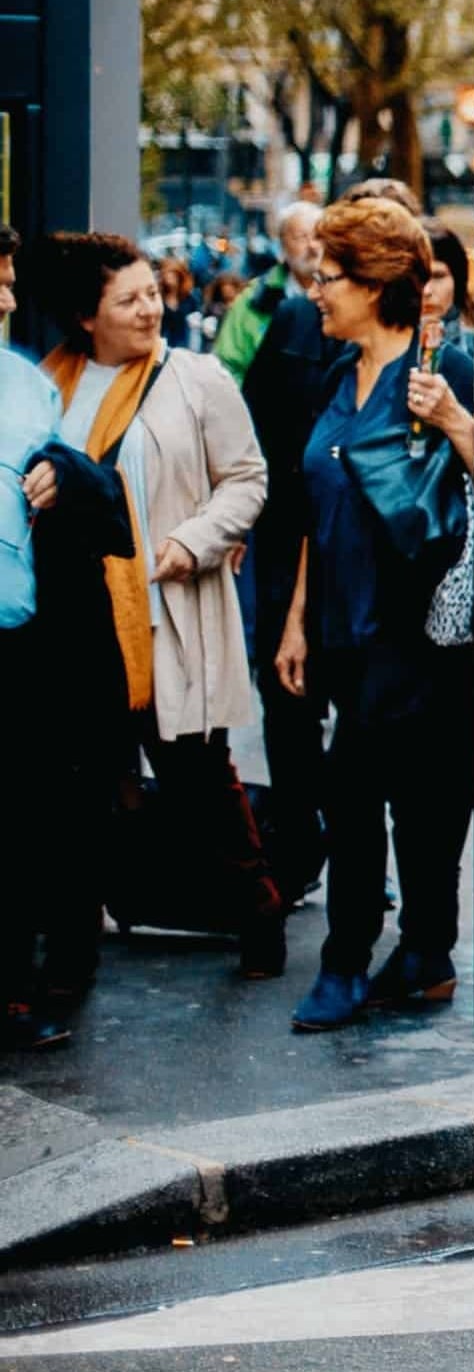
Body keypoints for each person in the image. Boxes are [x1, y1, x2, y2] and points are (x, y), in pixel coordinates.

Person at [275, 199, 474, 1032]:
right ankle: (404, 956)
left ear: (374, 284)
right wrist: (295, 619)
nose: (316, 291)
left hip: (423, 632)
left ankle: (373, 957)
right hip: (342, 629)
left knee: (409, 805)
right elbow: (322, 509)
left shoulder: (447, 371)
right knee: (362, 797)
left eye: (330, 277)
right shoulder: (332, 376)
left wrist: (457, 422)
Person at [29, 232, 285, 980]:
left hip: (164, 613)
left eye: (152, 292)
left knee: (201, 781)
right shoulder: (53, 387)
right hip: (78, 626)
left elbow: (248, 479)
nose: (152, 309)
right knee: (82, 796)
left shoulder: (195, 379)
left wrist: (193, 541)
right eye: (130, 300)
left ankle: (258, 909)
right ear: (86, 317)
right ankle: (70, 954)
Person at [0, 229, 134, 1050]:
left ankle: (20, 986)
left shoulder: (25, 388)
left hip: (22, 644)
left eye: (11, 281)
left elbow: (100, 501)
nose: (10, 299)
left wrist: (64, 475)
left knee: (20, 818)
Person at [238, 202, 348, 903]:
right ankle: (303, 839)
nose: (317, 284)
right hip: (286, 542)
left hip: (352, 558)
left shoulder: (419, 359)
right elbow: (253, 432)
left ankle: (348, 841)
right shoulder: (290, 322)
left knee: (362, 719)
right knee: (287, 702)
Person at [218, 202, 323, 382]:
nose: (312, 246)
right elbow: (227, 367)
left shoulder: (345, 295)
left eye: (319, 236)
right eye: (301, 237)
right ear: (281, 244)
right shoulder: (254, 298)